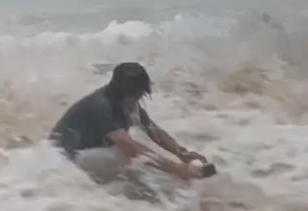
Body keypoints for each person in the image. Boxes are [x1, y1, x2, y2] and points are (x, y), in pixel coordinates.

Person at [48, 62, 215, 195]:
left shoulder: (128, 102)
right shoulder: (102, 107)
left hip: (84, 153)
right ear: (121, 92)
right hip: (64, 161)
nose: (139, 97)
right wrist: (178, 169)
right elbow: (131, 149)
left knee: (143, 170)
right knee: (124, 155)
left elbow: (151, 129)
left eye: (141, 93)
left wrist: (181, 152)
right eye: (136, 94)